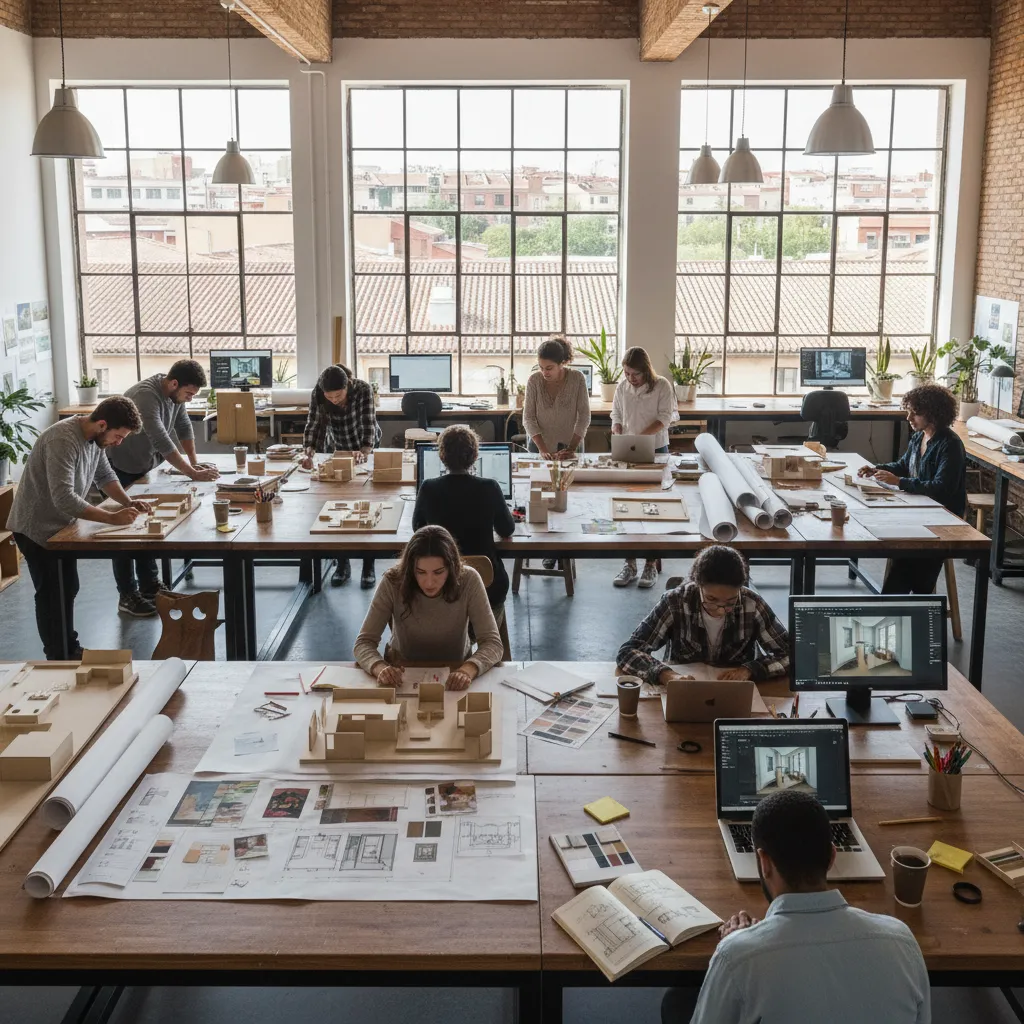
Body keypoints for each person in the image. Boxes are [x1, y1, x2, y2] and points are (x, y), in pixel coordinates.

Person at [664, 789, 930, 1024]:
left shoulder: (737, 959)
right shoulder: (903, 942)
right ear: (832, 856)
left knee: (676, 1001)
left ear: (764, 862)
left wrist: (739, 944)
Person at [8, 397, 151, 660]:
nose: (119, 442)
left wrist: (128, 502)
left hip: (61, 526)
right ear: (102, 424)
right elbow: (64, 498)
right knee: (52, 593)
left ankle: (69, 648)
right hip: (35, 526)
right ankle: (58, 656)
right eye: (118, 436)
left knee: (67, 587)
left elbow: (105, 476)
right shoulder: (62, 440)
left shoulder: (95, 439)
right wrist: (111, 518)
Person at [107, 359, 219, 618]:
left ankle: (149, 586)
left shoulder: (173, 396)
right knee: (124, 532)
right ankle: (127, 594)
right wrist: (192, 474)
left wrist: (194, 462)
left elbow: (183, 426)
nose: (190, 399)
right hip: (122, 466)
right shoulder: (146, 397)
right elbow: (162, 440)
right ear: (174, 383)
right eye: (189, 394)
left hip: (145, 465)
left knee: (147, 524)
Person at [354, 525, 503, 691]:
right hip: (402, 672)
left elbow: (492, 643)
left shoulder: (469, 579)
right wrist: (380, 668)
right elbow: (363, 643)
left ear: (452, 567)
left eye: (438, 572)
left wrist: (468, 670)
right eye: (420, 572)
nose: (429, 582)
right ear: (410, 569)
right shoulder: (392, 581)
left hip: (455, 670)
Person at [616, 544, 788, 683]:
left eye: (730, 601)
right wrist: (666, 675)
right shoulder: (675, 602)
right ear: (698, 585)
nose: (721, 610)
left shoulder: (752, 603)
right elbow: (628, 651)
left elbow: (790, 654)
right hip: (685, 689)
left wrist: (750, 670)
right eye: (711, 599)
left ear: (740, 589)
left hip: (735, 692)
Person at [858, 383, 966, 594]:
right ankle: (905, 602)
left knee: (910, 557)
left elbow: (942, 488)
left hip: (942, 517)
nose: (908, 418)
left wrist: (899, 482)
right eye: (908, 411)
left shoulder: (950, 444)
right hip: (919, 509)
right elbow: (904, 465)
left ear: (933, 414)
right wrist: (876, 469)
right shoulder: (919, 437)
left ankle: (909, 603)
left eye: (915, 413)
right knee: (900, 548)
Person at [412, 425, 515, 608]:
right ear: (475, 456)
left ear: (442, 455)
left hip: (442, 585)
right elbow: (507, 529)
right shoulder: (490, 487)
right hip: (487, 588)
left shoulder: (428, 488)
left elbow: (418, 529)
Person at [300, 363, 382, 589]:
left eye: (338, 395)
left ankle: (368, 566)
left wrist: (364, 450)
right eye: (330, 397)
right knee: (337, 506)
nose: (334, 400)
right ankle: (342, 565)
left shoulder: (363, 390)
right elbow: (314, 422)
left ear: (348, 385)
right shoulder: (318, 393)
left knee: (365, 505)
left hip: (364, 445)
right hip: (337, 445)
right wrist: (309, 449)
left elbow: (368, 422)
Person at [610, 345, 678, 589]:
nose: (631, 378)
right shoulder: (622, 387)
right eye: (627, 373)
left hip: (656, 449)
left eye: (635, 374)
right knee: (626, 507)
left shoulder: (662, 386)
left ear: (646, 370)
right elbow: (616, 414)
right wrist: (617, 429)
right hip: (628, 450)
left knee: (653, 508)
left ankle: (650, 564)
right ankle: (629, 564)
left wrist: (640, 438)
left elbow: (664, 418)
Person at [522, 335, 591, 568]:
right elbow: (528, 418)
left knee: (566, 501)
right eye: (541, 367)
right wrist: (542, 449)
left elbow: (584, 416)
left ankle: (564, 547)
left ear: (563, 363)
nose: (544, 372)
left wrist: (571, 447)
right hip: (539, 446)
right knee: (542, 499)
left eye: (549, 368)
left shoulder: (577, 379)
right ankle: (546, 547)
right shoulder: (534, 381)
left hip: (569, 448)